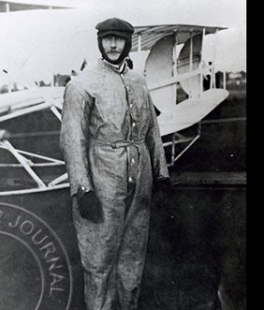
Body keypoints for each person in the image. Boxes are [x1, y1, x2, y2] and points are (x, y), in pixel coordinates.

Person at [59, 17, 170, 310]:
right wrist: (82, 189)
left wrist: (161, 173)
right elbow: (72, 140)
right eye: (107, 38)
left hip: (139, 178)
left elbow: (152, 130)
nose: (112, 45)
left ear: (127, 43)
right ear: (99, 41)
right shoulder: (82, 85)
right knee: (99, 261)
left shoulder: (138, 81)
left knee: (133, 257)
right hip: (101, 179)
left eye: (118, 39)